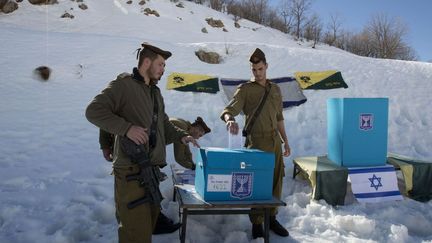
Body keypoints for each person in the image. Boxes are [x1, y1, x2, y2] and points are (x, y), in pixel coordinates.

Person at [86, 42, 199, 243]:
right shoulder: (124, 85)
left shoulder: (155, 92)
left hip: (151, 172)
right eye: (161, 64)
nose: (164, 70)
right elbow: (94, 111)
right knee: (134, 235)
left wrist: (182, 135)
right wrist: (126, 129)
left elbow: (163, 123)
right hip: (130, 173)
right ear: (146, 62)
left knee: (146, 229)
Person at [220, 48, 291, 239]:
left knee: (276, 180)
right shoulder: (245, 90)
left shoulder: (275, 89)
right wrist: (229, 120)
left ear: (266, 66)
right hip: (257, 142)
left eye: (260, 68)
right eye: (254, 69)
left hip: (274, 140)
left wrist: (286, 141)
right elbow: (229, 109)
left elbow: (279, 118)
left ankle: (272, 217)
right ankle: (257, 223)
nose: (257, 73)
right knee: (259, 182)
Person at [99, 129, 182, 235]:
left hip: (149, 149)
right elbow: (106, 117)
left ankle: (155, 220)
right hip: (128, 152)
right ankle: (135, 225)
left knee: (151, 185)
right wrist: (105, 144)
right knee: (132, 195)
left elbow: (161, 120)